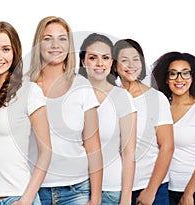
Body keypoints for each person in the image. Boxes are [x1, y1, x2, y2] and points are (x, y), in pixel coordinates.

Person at [0, 20, 52, 205]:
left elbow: (46, 152)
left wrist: (26, 199)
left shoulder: (29, 91)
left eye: (5, 49)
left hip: (17, 197)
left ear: (15, 52)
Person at [26, 16, 103, 205]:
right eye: (47, 38)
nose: (55, 45)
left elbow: (93, 145)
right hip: (31, 190)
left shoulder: (82, 86)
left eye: (62, 38)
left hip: (75, 191)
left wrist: (96, 197)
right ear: (38, 44)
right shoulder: (23, 86)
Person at [111, 39, 174, 205]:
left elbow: (167, 147)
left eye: (136, 59)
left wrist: (151, 191)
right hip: (116, 188)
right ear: (115, 65)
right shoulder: (110, 98)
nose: (131, 64)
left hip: (150, 187)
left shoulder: (156, 99)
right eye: (124, 60)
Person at [151, 51, 195, 205]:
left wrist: (189, 193)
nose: (179, 79)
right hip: (165, 189)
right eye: (173, 74)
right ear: (166, 79)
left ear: (192, 77)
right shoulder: (161, 108)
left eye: (185, 73)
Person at [79, 33, 137, 204]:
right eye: (92, 57)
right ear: (83, 61)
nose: (99, 63)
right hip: (76, 189)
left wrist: (126, 198)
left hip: (111, 190)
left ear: (111, 62)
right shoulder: (73, 95)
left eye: (105, 58)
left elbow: (128, 152)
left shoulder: (122, 98)